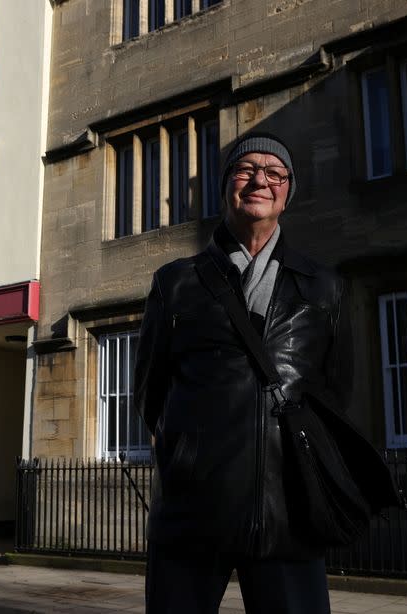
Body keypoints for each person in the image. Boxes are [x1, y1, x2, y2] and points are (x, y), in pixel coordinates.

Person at [134, 132, 352, 613]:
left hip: (289, 510)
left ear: (287, 191)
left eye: (275, 173)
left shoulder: (323, 285)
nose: (259, 180)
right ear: (226, 184)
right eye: (245, 168)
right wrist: (188, 456)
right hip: (193, 510)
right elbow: (150, 394)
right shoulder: (176, 282)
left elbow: (333, 395)